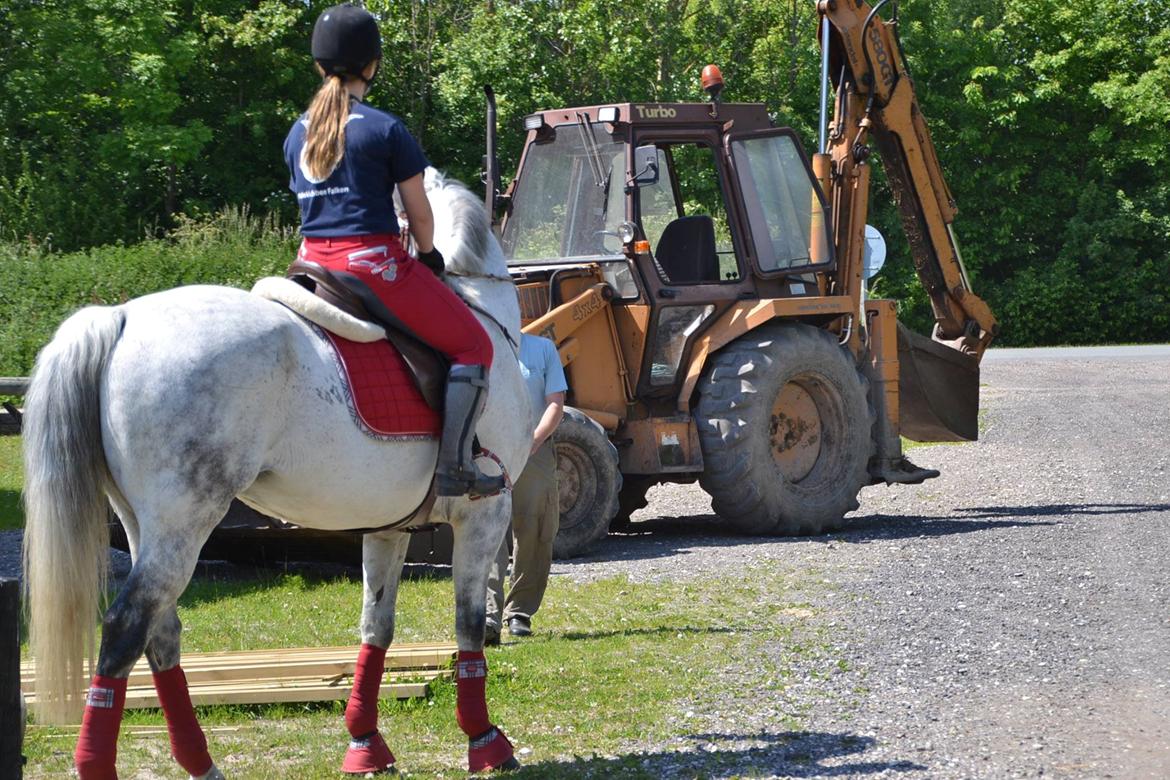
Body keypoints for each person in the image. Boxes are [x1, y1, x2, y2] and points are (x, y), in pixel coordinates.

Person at [283, 3, 502, 499]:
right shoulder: (384, 129)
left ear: (319, 65)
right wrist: (428, 256)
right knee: (475, 346)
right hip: (371, 265)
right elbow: (420, 215)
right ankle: (455, 469)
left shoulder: (297, 133)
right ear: (372, 65)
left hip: (310, 263)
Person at [485, 333, 568, 643]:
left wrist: (533, 441)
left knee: (536, 529)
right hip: (489, 452)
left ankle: (519, 611)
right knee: (488, 530)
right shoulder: (479, 342)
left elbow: (555, 404)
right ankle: (488, 614)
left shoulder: (542, 348)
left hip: (534, 451)